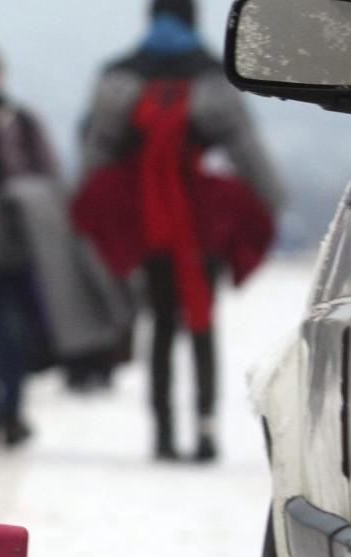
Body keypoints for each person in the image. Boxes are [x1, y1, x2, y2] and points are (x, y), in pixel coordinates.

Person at [74, 0, 281, 462]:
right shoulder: (212, 74)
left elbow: (97, 149)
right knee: (202, 321)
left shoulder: (120, 76)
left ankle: (163, 433)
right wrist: (268, 202)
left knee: (162, 326)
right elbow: (247, 149)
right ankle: (206, 429)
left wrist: (88, 207)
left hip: (146, 223)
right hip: (199, 220)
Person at [0, 44, 59, 447]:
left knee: (12, 333)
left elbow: (47, 175)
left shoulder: (19, 120)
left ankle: (12, 412)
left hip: (12, 243)